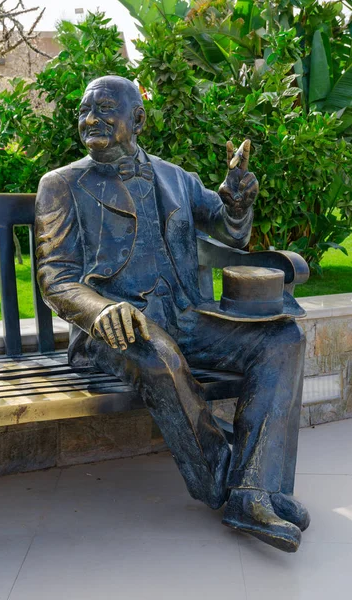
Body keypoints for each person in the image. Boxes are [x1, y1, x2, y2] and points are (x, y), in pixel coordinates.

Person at [35, 75, 309, 552]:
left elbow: (227, 231)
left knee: (282, 340)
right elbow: (56, 278)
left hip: (182, 314)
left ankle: (251, 492)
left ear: (137, 119)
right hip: (113, 331)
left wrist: (238, 201)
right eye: (84, 111)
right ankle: (236, 487)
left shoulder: (176, 177)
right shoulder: (60, 185)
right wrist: (100, 310)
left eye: (104, 109)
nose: (90, 119)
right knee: (159, 355)